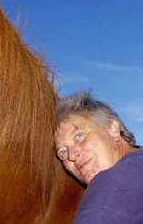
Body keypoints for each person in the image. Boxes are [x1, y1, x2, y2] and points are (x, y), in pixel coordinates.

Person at [55, 92, 143, 224]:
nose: (72, 155)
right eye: (62, 152)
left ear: (112, 129)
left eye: (79, 136)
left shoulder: (112, 181)